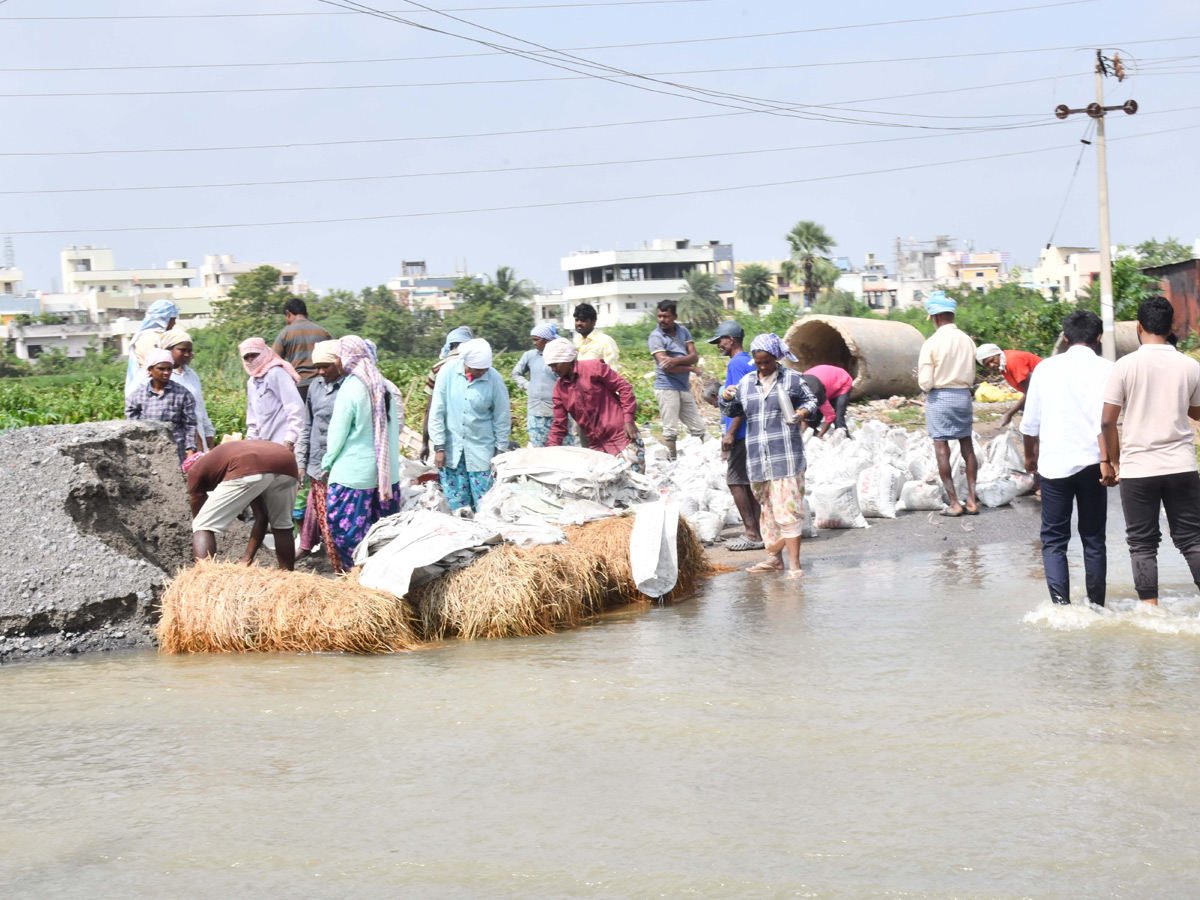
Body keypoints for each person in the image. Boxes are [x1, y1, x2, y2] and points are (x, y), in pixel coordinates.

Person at [1100, 296, 1200, 607]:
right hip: (1182, 466)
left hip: (1138, 469)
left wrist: (1110, 462)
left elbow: (1107, 422)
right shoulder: (1190, 365)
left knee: (1142, 544)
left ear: (1139, 327)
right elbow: (1197, 413)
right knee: (1192, 540)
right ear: (1171, 327)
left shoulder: (1125, 366)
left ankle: (1150, 612)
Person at [1021, 310, 1112, 607]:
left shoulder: (1046, 369)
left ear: (1065, 337)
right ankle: (1097, 606)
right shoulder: (1108, 369)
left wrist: (1030, 457)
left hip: (1055, 463)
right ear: (1098, 339)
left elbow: (1030, 424)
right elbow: (1111, 422)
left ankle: (1062, 607)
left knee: (1054, 540)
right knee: (1094, 538)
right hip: (1095, 463)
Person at [719, 334, 820, 579]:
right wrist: (726, 398)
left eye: (767, 362)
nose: (763, 367)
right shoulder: (746, 382)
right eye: (759, 362)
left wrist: (801, 413)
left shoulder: (793, 379)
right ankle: (774, 560)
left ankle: (794, 565)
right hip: (757, 459)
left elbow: (812, 401)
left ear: (776, 358)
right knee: (768, 510)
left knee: (787, 509)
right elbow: (735, 410)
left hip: (785, 457)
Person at [320, 336, 403, 570]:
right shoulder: (383, 384)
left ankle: (357, 583)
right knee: (383, 537)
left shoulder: (352, 387)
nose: (336, 362)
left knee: (348, 537)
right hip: (386, 477)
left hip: (353, 477)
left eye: (337, 357)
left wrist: (327, 463)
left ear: (347, 358)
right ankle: (380, 581)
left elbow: (337, 434)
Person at [189, 439, 300, 570]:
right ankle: (287, 577)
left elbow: (200, 519)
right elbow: (262, 517)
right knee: (282, 525)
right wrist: (246, 560)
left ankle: (203, 580)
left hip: (248, 464)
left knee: (202, 525)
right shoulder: (222, 460)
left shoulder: (194, 472)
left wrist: (202, 528)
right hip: (287, 462)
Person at [428, 337, 511, 512]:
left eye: (485, 369)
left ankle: (487, 537)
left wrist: (499, 452)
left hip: (482, 452)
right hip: (452, 451)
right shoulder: (447, 373)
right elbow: (437, 412)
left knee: (486, 505)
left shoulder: (494, 378)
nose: (482, 373)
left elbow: (502, 417)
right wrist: (439, 447)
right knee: (457, 506)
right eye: (478, 369)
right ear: (466, 363)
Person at [917, 291, 979, 517]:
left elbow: (925, 381)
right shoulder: (967, 340)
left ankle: (954, 503)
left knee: (941, 448)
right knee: (967, 446)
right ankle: (972, 499)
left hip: (940, 398)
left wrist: (927, 388)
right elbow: (972, 371)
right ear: (951, 315)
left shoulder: (931, 343)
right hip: (963, 396)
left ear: (934, 317)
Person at [706, 320, 763, 551]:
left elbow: (741, 400)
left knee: (735, 481)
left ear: (731, 339)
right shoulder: (750, 361)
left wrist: (730, 433)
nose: (718, 345)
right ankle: (757, 531)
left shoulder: (736, 364)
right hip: (753, 431)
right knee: (749, 483)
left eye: (720, 340)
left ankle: (751, 534)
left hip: (741, 432)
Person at [295, 339, 347, 571]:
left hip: (343, 465)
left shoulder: (350, 386)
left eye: (326, 366)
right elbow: (307, 425)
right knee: (326, 521)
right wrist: (301, 462)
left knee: (342, 520)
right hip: (318, 464)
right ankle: (336, 568)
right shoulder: (315, 386)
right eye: (318, 366)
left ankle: (347, 567)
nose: (321, 371)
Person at [544, 338, 639, 454]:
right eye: (551, 366)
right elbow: (559, 424)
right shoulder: (559, 389)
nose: (553, 369)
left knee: (633, 471)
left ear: (566, 359)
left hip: (623, 435)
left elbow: (624, 388)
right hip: (597, 445)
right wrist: (549, 449)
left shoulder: (594, 367)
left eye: (555, 365)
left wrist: (628, 420)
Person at [648, 300, 706, 458]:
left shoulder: (683, 331)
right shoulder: (656, 337)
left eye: (666, 316)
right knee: (670, 430)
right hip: (666, 387)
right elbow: (665, 366)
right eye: (659, 316)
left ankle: (705, 459)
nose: (662, 320)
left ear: (674, 316)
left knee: (698, 427)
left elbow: (694, 356)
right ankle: (671, 464)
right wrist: (690, 368)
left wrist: (675, 360)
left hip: (682, 386)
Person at [125, 348, 198, 464]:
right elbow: (132, 425)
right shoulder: (138, 396)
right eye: (161, 369)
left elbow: (190, 426)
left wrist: (190, 451)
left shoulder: (183, 394)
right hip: (149, 451)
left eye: (169, 369)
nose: (166, 372)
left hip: (176, 450)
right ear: (150, 369)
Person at [239, 337, 305, 450]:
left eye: (254, 355)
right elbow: (252, 420)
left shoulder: (276, 373)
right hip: (263, 445)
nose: (251, 360)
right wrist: (250, 445)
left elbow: (295, 408)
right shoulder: (252, 382)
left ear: (263, 353)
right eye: (246, 357)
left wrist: (290, 440)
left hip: (282, 442)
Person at [421, 325, 473, 462]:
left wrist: (425, 443)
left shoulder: (438, 368)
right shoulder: (478, 366)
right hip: (476, 439)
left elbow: (430, 409)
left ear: (449, 345)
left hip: (446, 441)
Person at [161, 329, 216, 452]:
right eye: (182, 350)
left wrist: (208, 435)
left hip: (198, 439)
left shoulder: (191, 375)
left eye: (189, 351)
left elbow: (200, 407)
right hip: (174, 441)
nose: (187, 354)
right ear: (168, 350)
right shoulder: (160, 377)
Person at [271, 298, 332, 402]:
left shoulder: (285, 333)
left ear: (288, 314)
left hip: (298, 387)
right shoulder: (323, 332)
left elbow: (273, 360)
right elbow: (336, 356)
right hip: (322, 385)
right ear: (306, 314)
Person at [513, 324, 560, 448]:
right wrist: (529, 386)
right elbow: (516, 373)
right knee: (538, 450)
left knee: (561, 450)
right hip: (536, 411)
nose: (534, 343)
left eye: (536, 339)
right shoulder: (529, 356)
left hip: (557, 413)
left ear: (547, 340)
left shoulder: (560, 356)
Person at [976, 343, 1043, 428]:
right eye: (987, 365)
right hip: (1042, 392)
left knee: (1030, 427)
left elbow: (1030, 392)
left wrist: (1010, 414)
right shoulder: (1004, 366)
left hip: (1051, 388)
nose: (991, 365)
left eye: (992, 360)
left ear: (997, 354)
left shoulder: (1012, 361)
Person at [124, 299, 178, 400]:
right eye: (172, 319)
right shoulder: (151, 338)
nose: (174, 323)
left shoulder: (157, 336)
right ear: (163, 318)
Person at [803, 364, 854, 437]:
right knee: (811, 424)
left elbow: (830, 416)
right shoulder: (797, 389)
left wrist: (819, 436)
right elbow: (802, 416)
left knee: (838, 419)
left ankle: (846, 439)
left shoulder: (817, 394)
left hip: (842, 381)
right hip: (823, 382)